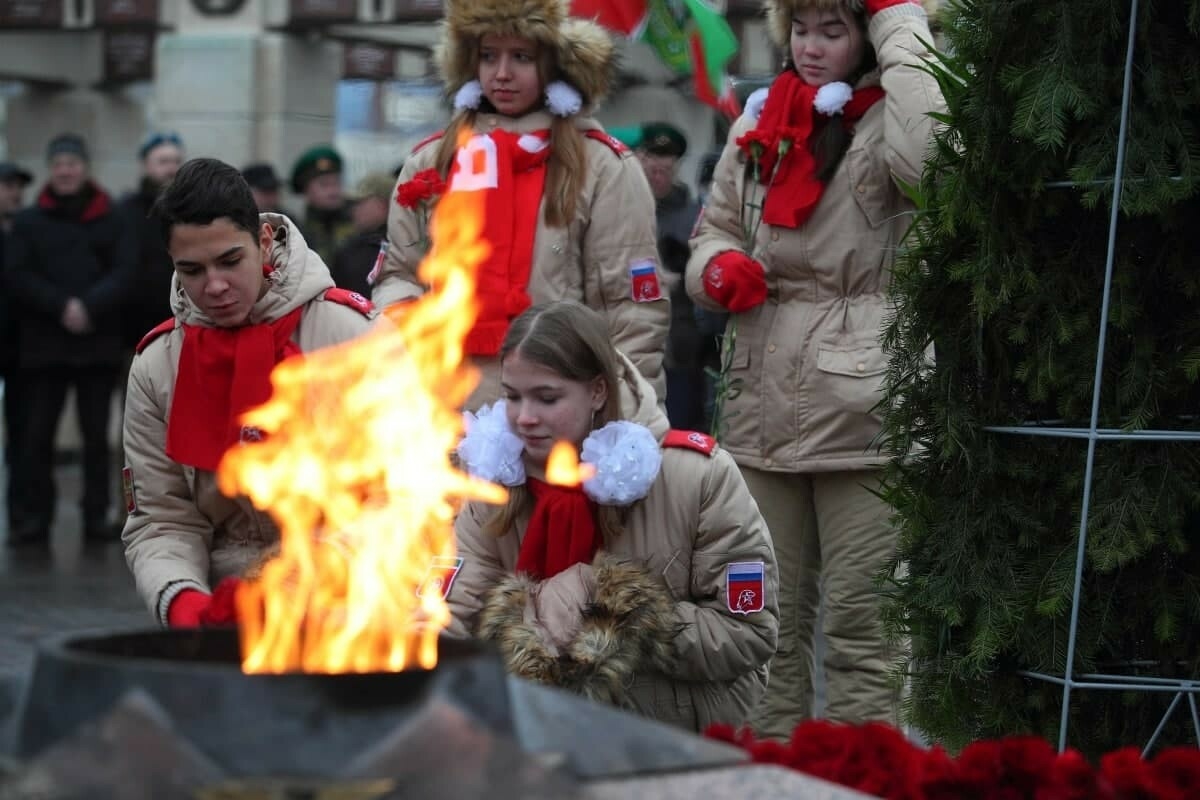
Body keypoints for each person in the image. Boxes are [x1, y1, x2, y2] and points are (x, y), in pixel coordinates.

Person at [686, 0, 945, 735]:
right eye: (800, 29)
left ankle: (864, 778)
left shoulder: (895, 111)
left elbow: (934, 164)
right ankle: (770, 780)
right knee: (762, 627)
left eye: (833, 30)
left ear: (866, 39)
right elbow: (713, 234)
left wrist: (901, 22)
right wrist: (716, 270)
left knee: (865, 633)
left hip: (866, 411)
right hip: (757, 406)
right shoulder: (761, 120)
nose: (810, 47)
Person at [448, 300, 778, 732]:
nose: (525, 418)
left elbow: (749, 634)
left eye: (547, 398)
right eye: (512, 396)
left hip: (667, 741)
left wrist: (611, 603)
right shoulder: (491, 488)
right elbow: (453, 618)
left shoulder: (696, 477)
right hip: (537, 742)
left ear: (598, 392)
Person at [372, 0, 670, 411]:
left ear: (554, 62)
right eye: (488, 56)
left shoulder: (602, 165)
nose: (502, 74)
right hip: (444, 406)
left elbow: (630, 311)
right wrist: (404, 341)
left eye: (522, 57)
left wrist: (624, 416)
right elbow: (398, 276)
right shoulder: (432, 160)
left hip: (559, 412)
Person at [121, 157, 374, 627]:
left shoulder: (351, 336)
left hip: (345, 598)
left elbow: (394, 497)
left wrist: (296, 586)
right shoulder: (157, 365)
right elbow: (162, 519)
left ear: (262, 241)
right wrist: (185, 605)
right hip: (219, 607)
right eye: (192, 270)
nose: (214, 286)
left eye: (230, 261)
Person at [5, 133, 136, 547]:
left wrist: (89, 307)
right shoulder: (28, 221)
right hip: (44, 347)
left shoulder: (113, 217)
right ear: (51, 169)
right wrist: (62, 306)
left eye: (72, 164)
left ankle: (96, 518)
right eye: (59, 164)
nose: (66, 171)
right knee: (36, 439)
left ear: (84, 168)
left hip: (96, 347)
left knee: (96, 439)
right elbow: (18, 275)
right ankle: (34, 520)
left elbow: (124, 271)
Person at [636, 122, 704, 431]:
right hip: (632, 339)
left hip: (679, 343)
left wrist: (682, 277)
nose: (657, 168)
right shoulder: (622, 209)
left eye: (667, 160)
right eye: (651, 157)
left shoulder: (694, 215)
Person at [120, 131, 184, 353]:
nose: (171, 168)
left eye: (176, 161)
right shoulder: (125, 211)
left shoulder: (191, 209)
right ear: (146, 165)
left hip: (182, 325)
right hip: (133, 329)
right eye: (163, 161)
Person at [0, 161, 32, 480]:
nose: (16, 194)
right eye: (8, 186)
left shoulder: (27, 230)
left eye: (18, 187)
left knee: (23, 434)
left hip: (22, 347)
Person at [330, 171, 393, 297]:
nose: (353, 209)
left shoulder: (408, 244)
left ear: (382, 205)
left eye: (360, 202)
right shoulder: (349, 250)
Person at [289, 146, 353, 266]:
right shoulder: (296, 234)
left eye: (336, 183)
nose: (333, 191)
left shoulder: (356, 227)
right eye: (324, 184)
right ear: (306, 190)